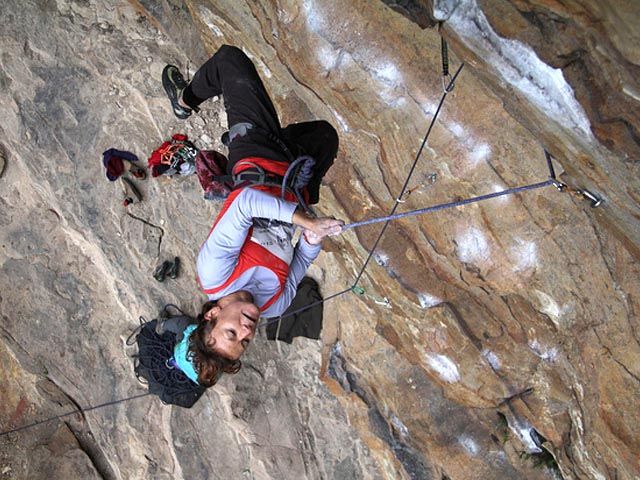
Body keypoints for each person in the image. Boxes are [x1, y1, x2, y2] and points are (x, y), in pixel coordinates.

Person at [161, 45, 343, 385]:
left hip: (256, 158)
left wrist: (304, 222)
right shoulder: (273, 305)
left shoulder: (215, 271)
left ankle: (184, 100)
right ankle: (274, 136)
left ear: (213, 314)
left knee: (231, 61)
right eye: (245, 341)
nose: (247, 330)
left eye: (232, 332)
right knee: (325, 137)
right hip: (291, 183)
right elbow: (303, 258)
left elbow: (245, 203)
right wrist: (314, 236)